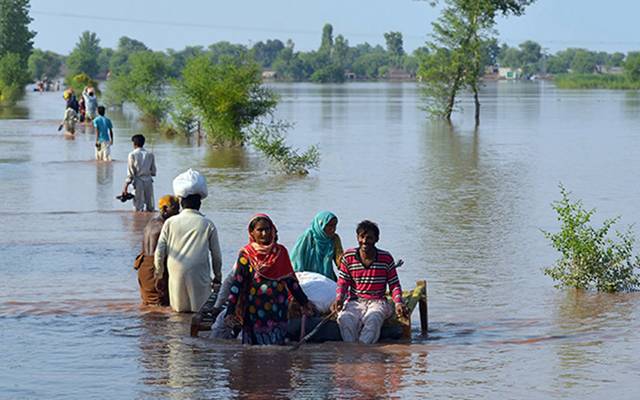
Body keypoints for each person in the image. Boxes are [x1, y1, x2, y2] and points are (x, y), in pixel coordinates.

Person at [224, 214, 314, 345]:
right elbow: (237, 283)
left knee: (276, 346)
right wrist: (230, 310)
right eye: (260, 230)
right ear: (252, 232)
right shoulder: (246, 255)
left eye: (267, 229)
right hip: (254, 309)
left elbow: (291, 282)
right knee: (254, 349)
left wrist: (304, 302)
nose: (264, 233)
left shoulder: (280, 252)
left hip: (277, 309)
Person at [334, 220, 407, 344]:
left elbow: (394, 285)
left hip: (377, 301)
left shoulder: (386, 258)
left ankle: (365, 354)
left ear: (376, 239)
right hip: (355, 301)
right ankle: (351, 353)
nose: (365, 241)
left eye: (369, 238)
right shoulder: (348, 257)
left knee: (373, 319)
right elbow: (343, 282)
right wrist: (339, 299)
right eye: (362, 237)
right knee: (344, 319)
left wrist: (398, 303)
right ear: (357, 237)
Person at [154, 193, 222, 312]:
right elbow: (216, 255)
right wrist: (217, 277)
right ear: (199, 204)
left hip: (176, 271)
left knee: (177, 313)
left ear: (181, 204)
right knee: (199, 312)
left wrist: (159, 274)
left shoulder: (170, 223)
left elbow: (160, 251)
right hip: (199, 272)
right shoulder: (207, 224)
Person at [134, 195, 180, 306]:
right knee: (160, 306)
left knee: (148, 305)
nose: (178, 213)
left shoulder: (151, 223)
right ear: (164, 209)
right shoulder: (165, 226)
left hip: (143, 267)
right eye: (175, 209)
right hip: (154, 268)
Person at [290, 211, 343, 281]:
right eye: (329, 226)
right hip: (308, 278)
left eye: (334, 225)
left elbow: (340, 260)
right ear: (321, 224)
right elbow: (297, 258)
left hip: (327, 278)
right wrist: (299, 277)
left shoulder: (334, 239)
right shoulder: (309, 236)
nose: (333, 229)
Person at [122, 134, 156, 212]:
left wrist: (125, 187)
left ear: (134, 144)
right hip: (148, 181)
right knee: (150, 207)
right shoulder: (150, 154)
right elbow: (153, 172)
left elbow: (131, 173)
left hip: (138, 182)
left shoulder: (132, 154)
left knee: (137, 207)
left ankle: (138, 222)